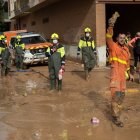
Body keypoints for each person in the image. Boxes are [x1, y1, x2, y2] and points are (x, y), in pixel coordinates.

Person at [106, 12, 133, 127]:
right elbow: (108, 37)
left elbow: (127, 64)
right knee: (115, 96)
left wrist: (130, 74)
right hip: (115, 76)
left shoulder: (127, 50)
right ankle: (115, 117)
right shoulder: (113, 46)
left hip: (123, 77)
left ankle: (115, 111)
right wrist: (111, 25)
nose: (122, 39)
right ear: (117, 38)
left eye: (124, 38)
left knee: (121, 97)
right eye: (120, 38)